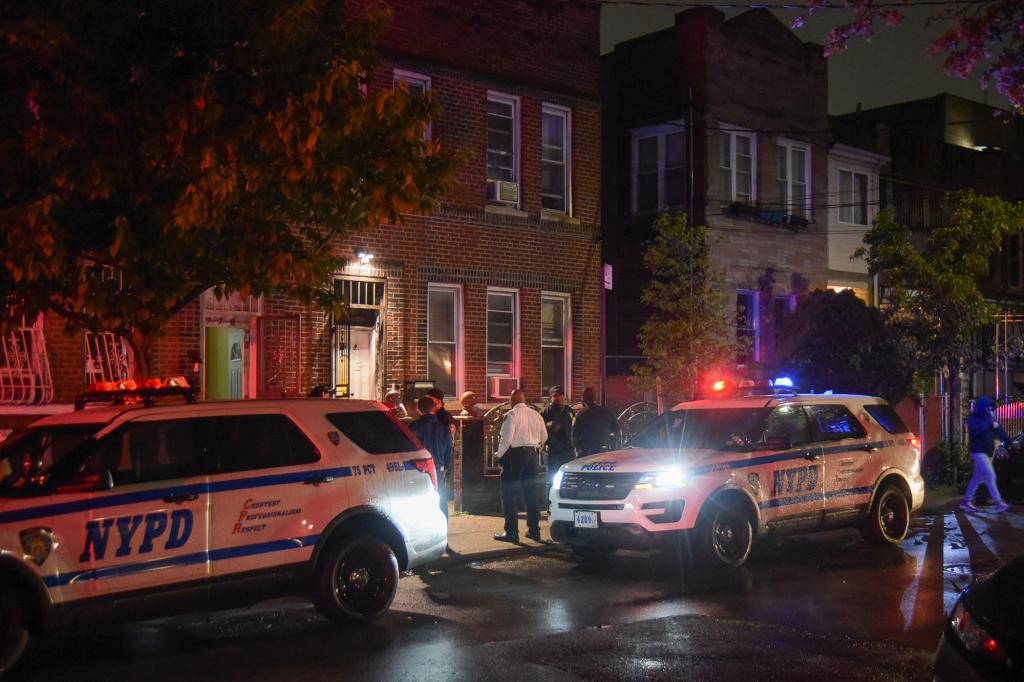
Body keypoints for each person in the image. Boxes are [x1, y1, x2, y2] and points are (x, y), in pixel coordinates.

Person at [494, 389, 547, 543]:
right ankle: (534, 531)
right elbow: (544, 436)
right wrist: (538, 446)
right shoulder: (536, 414)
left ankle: (511, 532)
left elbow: (506, 438)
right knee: (531, 494)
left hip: (515, 456)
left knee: (509, 495)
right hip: (532, 456)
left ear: (512, 400)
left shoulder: (512, 414)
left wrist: (499, 455)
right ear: (524, 399)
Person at [962, 395, 1013, 513]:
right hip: (978, 451)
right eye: (987, 408)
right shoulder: (973, 418)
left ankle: (966, 501)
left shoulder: (990, 419)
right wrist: (990, 424)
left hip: (987, 452)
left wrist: (1009, 441)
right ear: (981, 407)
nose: (989, 410)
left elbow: (999, 432)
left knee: (976, 478)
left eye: (990, 408)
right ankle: (998, 503)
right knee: (991, 475)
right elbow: (976, 431)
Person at [409, 395, 455, 521]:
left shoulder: (413, 427)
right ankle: (442, 532)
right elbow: (449, 453)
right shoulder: (444, 429)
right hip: (438, 469)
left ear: (418, 409)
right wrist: (447, 471)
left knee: (419, 503)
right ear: (434, 408)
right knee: (440, 502)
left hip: (418, 469)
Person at [540, 386, 574, 497]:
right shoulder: (545, 412)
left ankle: (567, 499)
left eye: (560, 395)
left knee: (568, 478)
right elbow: (538, 429)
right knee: (552, 479)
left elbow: (574, 426)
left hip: (568, 451)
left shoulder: (568, 410)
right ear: (551, 398)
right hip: (553, 452)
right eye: (555, 395)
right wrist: (548, 426)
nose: (558, 397)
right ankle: (550, 503)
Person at [572, 387, 620, 456]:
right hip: (605, 452)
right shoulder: (608, 412)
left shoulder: (580, 415)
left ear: (583, 399)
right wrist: (614, 449)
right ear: (595, 397)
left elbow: (574, 438)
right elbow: (617, 433)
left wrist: (577, 451)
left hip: (587, 454)